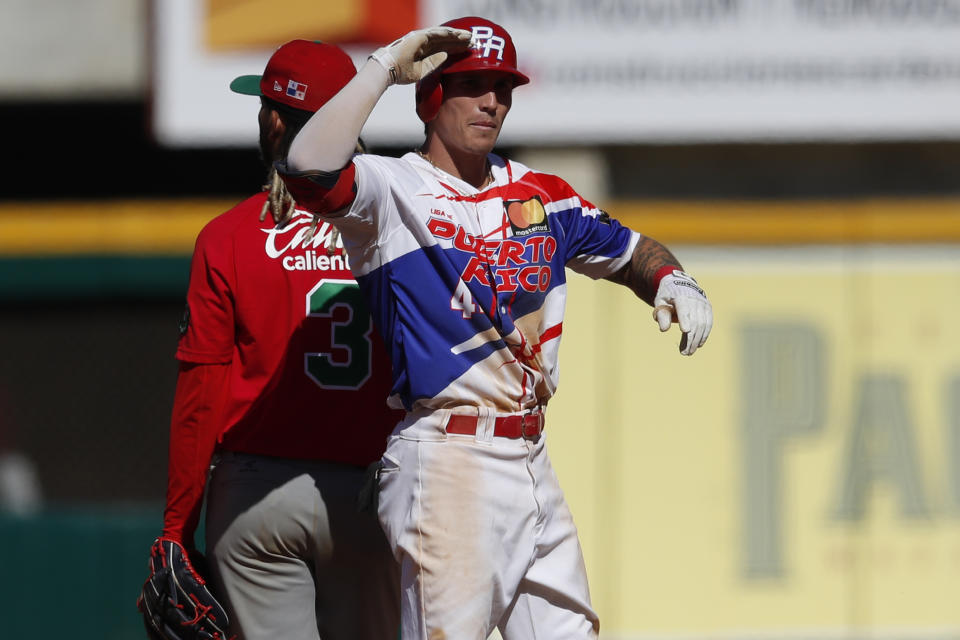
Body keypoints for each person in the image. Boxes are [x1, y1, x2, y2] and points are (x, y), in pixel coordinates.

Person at [278, 17, 713, 640]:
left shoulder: (542, 194)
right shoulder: (391, 190)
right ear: (431, 95)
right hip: (447, 456)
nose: (492, 101)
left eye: (503, 87)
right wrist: (382, 67)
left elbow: (633, 250)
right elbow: (307, 167)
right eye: (473, 84)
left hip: (531, 456)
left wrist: (672, 280)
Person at [144, 40, 402, 640]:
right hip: (373, 490)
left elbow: (200, 395)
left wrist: (176, 528)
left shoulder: (227, 237)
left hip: (258, 495)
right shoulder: (400, 224)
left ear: (275, 120)